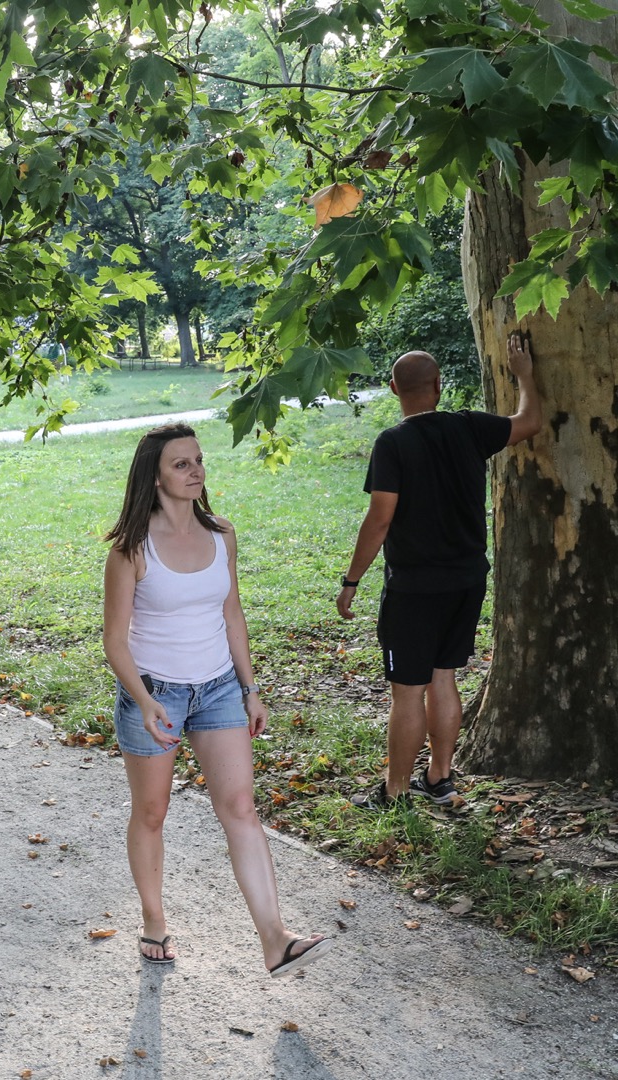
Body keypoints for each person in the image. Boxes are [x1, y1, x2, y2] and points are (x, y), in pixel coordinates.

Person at [102, 423, 332, 977]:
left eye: (198, 460)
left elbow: (232, 613)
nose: (196, 470)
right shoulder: (131, 549)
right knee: (152, 813)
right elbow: (114, 640)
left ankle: (276, 938)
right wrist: (144, 699)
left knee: (241, 809)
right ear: (154, 474)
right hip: (154, 693)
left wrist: (250, 688)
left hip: (219, 689)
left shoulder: (221, 533)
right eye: (182, 464)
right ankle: (154, 920)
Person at [336, 334, 542, 806]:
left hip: (414, 588)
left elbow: (380, 518)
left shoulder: (393, 443)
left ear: (392, 389)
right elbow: (530, 421)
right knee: (444, 677)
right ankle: (440, 778)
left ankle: (394, 793)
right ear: (439, 385)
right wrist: (525, 376)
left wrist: (351, 581)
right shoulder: (468, 427)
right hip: (467, 581)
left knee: (408, 693)